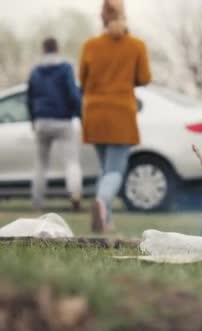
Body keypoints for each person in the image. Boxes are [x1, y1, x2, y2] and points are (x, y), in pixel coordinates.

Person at [80, 0, 151, 232]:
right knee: (115, 170)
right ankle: (102, 201)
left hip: (94, 113)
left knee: (105, 169)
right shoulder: (136, 45)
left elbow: (82, 79)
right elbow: (145, 77)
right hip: (121, 113)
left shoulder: (90, 45)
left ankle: (106, 221)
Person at [26, 37, 83, 212]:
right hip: (62, 120)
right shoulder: (65, 68)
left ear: (43, 50)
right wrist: (78, 113)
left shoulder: (35, 71)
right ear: (57, 49)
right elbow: (73, 94)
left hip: (42, 121)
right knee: (71, 162)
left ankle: (37, 201)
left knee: (41, 163)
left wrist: (33, 119)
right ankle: (74, 195)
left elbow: (29, 98)